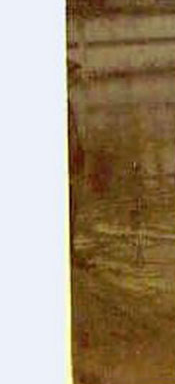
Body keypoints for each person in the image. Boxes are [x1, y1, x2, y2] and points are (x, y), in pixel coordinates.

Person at [68, 60, 89, 269]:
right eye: (74, 75)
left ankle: (70, 252)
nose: (77, 79)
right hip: (69, 169)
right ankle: (69, 254)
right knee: (69, 210)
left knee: (72, 210)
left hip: (73, 167)